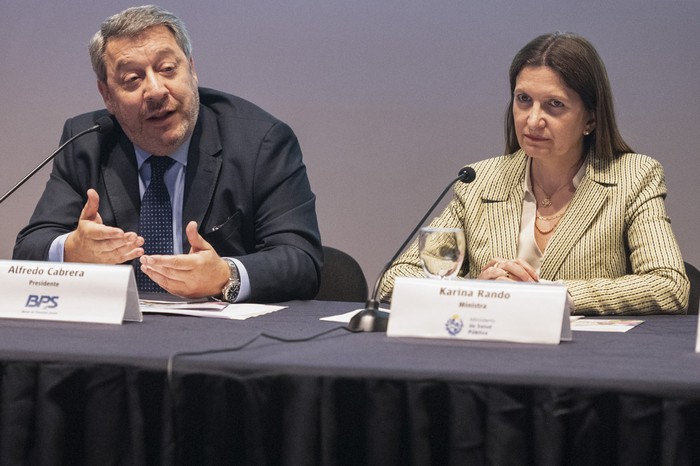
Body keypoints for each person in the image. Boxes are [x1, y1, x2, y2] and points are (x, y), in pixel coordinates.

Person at [13, 5, 323, 303]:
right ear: (107, 95)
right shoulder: (87, 141)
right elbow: (29, 247)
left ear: (192, 69)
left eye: (167, 69)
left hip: (223, 344)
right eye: (133, 79)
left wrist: (225, 275)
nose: (156, 90)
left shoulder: (261, 143)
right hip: (114, 338)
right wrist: (72, 249)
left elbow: (301, 260)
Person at [380, 32, 689, 315]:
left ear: (590, 119)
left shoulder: (633, 177)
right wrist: (474, 291)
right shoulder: (479, 181)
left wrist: (549, 295)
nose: (533, 120)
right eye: (523, 100)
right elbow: (395, 279)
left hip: (586, 361)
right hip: (487, 358)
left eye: (554, 105)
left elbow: (669, 285)